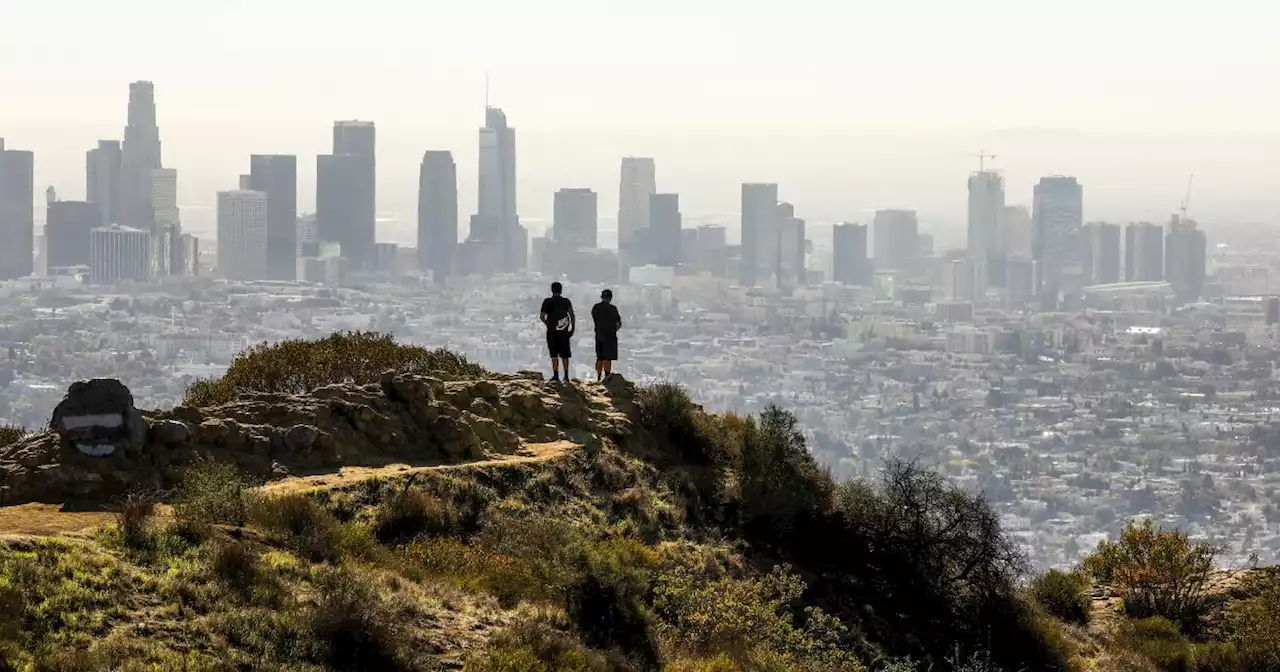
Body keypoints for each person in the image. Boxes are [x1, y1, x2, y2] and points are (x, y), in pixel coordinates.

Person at [539, 281, 575, 383]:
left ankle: (556, 376)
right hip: (564, 331)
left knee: (554, 354)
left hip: (552, 332)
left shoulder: (547, 301)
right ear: (561, 290)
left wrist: (548, 324)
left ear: (552, 290)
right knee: (565, 354)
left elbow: (542, 316)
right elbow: (572, 315)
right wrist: (572, 328)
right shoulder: (566, 301)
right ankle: (566, 376)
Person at [591, 288, 622, 382]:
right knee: (608, 357)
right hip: (610, 336)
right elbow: (618, 323)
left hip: (599, 334)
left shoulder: (596, 307)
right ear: (610, 298)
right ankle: (607, 376)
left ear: (602, 297)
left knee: (599, 357)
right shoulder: (612, 309)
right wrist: (613, 330)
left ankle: (598, 377)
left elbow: (594, 318)